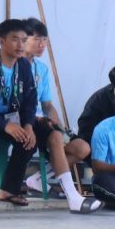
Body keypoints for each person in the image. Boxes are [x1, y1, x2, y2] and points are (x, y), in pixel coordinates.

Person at [0, 19, 100, 213]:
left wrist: (29, 126)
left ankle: (10, 190)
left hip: (12, 120)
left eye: (24, 40)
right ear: (1, 41)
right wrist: (6, 126)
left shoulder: (23, 66)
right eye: (15, 39)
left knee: (39, 135)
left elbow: (31, 101)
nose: (20, 45)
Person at [21, 18, 91, 195]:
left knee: (82, 148)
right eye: (37, 39)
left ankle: (38, 178)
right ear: (23, 39)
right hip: (24, 120)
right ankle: (71, 193)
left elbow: (47, 104)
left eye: (45, 40)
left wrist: (57, 122)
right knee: (56, 138)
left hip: (44, 122)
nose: (42, 44)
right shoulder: (13, 66)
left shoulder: (41, 69)